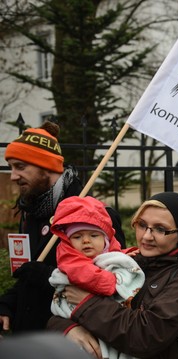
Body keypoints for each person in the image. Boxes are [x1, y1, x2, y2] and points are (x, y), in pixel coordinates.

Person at [0, 121, 125, 334]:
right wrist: (8, 305)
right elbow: (27, 274)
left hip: (67, 341)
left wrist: (47, 276)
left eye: (20, 166)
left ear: (45, 166)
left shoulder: (95, 215)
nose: (12, 176)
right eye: (11, 167)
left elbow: (114, 284)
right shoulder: (32, 211)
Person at [47, 192, 178, 359]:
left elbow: (147, 336)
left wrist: (87, 305)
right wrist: (66, 328)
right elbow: (59, 306)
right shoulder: (121, 261)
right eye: (142, 225)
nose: (146, 236)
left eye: (160, 229)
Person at [48, 196, 144, 359]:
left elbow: (114, 255)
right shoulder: (71, 260)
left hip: (109, 323)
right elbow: (86, 275)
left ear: (105, 240)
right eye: (77, 237)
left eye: (93, 235)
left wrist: (125, 254)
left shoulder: (109, 256)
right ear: (69, 242)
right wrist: (112, 282)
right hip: (81, 321)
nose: (86, 241)